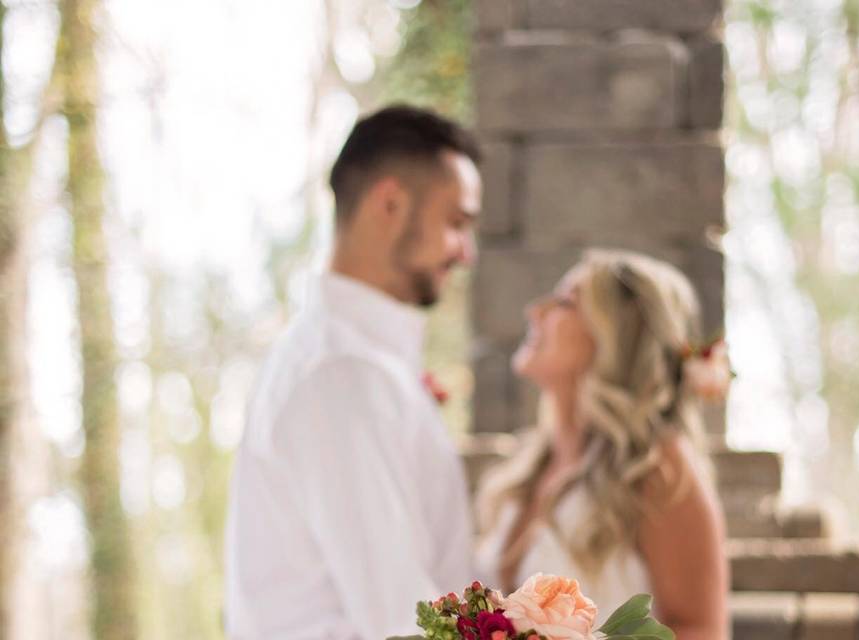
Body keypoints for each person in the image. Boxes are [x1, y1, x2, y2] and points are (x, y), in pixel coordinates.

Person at [224, 105, 483, 640]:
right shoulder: (343, 374)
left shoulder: (337, 358)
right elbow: (404, 619)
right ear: (389, 203)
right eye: (456, 222)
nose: (466, 252)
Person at [476, 249, 730, 639]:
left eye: (563, 303)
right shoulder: (530, 464)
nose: (535, 313)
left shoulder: (659, 469)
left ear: (615, 334)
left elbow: (702, 630)